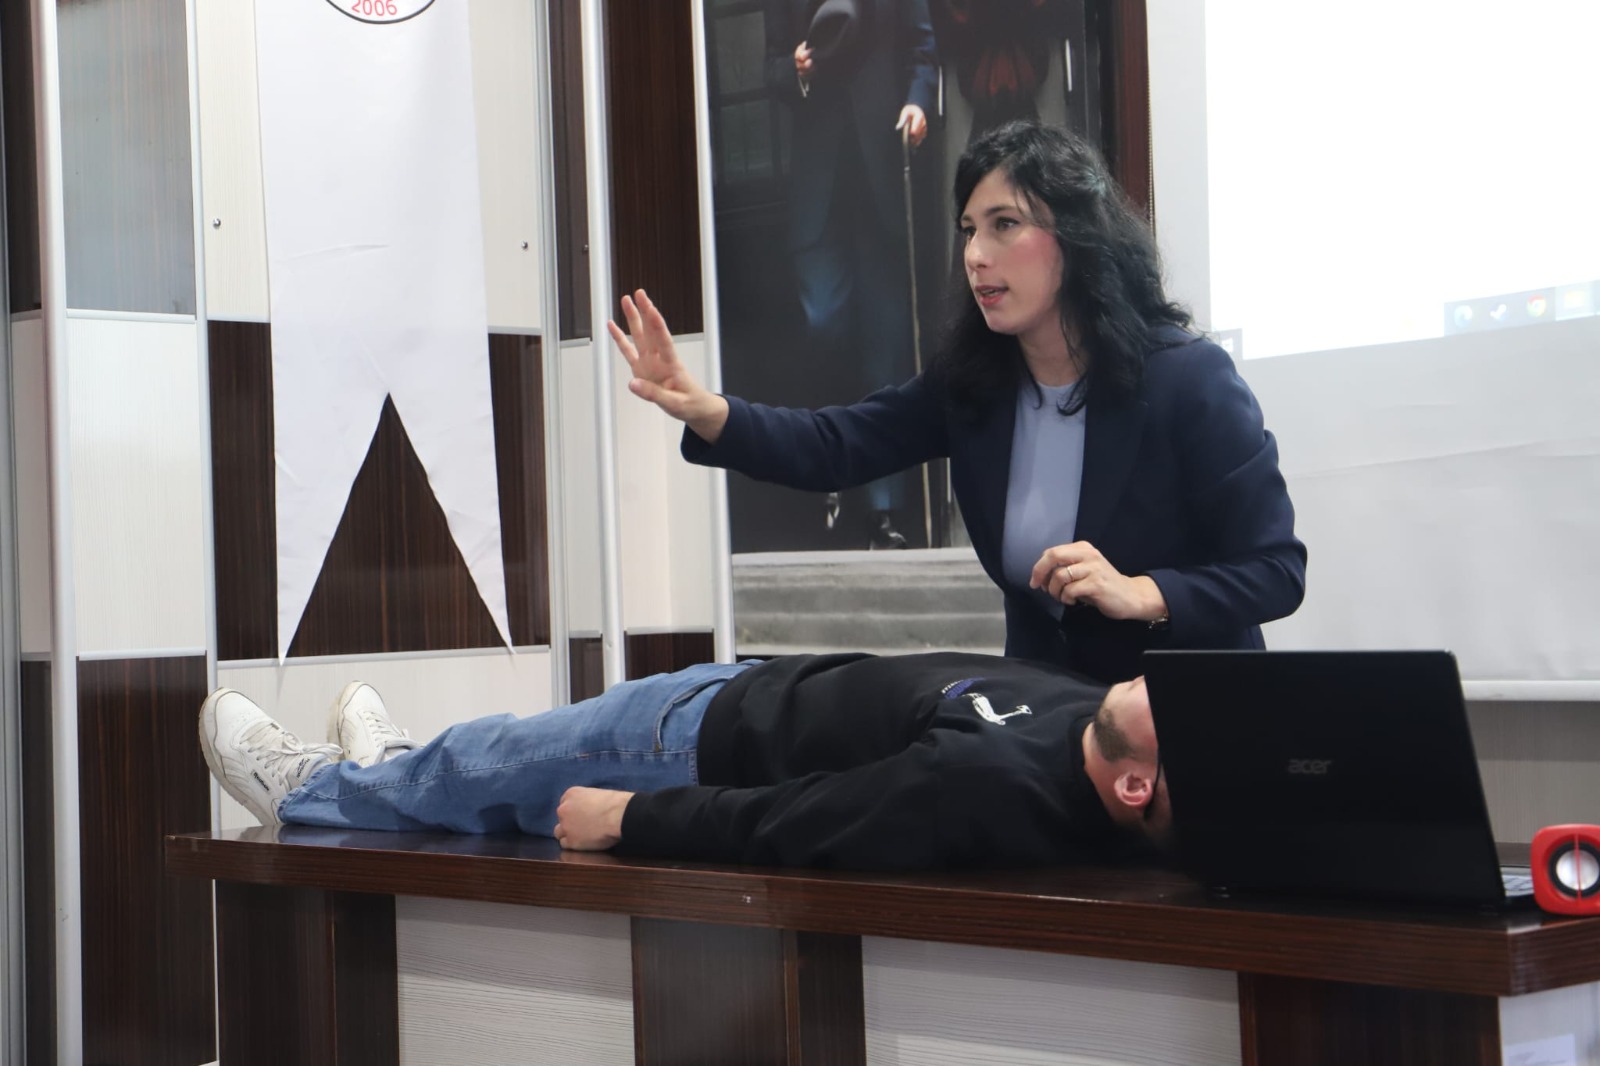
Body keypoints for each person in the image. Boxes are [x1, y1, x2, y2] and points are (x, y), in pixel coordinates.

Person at [611, 120, 1306, 684]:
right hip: (1050, 717)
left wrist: (1144, 593)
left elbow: (1275, 571)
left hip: (1183, 715)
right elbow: (835, 446)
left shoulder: (1189, 379)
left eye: (1004, 224)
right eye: (969, 229)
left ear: (1076, 236)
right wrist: (705, 409)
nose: (975, 254)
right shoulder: (974, 384)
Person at [198, 652, 1168, 871]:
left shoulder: (995, 784)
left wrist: (634, 818)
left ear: (1137, 785)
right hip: (751, 687)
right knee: (492, 767)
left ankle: (310, 789)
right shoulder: (1095, 710)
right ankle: (388, 778)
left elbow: (805, 821)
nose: (1175, 689)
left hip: (692, 749)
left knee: (494, 762)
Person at [764, 0, 939, 546]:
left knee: (887, 345)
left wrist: (917, 103)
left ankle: (883, 513)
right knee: (823, 323)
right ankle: (827, 474)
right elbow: (770, 66)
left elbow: (923, 51)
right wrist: (794, 69)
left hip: (882, 177)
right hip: (818, 189)